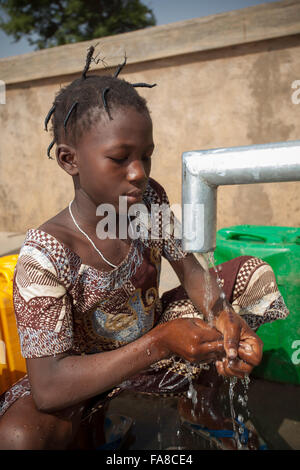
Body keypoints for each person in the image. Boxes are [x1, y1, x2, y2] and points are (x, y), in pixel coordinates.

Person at [0, 46, 289, 450]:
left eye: (146, 157)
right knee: (20, 436)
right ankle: (97, 427)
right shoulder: (46, 256)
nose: (138, 173)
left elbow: (189, 270)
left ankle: (201, 405)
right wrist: (159, 342)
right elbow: (49, 387)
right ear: (69, 160)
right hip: (86, 381)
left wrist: (223, 318)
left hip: (157, 349)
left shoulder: (147, 201)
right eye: (119, 158)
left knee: (249, 275)